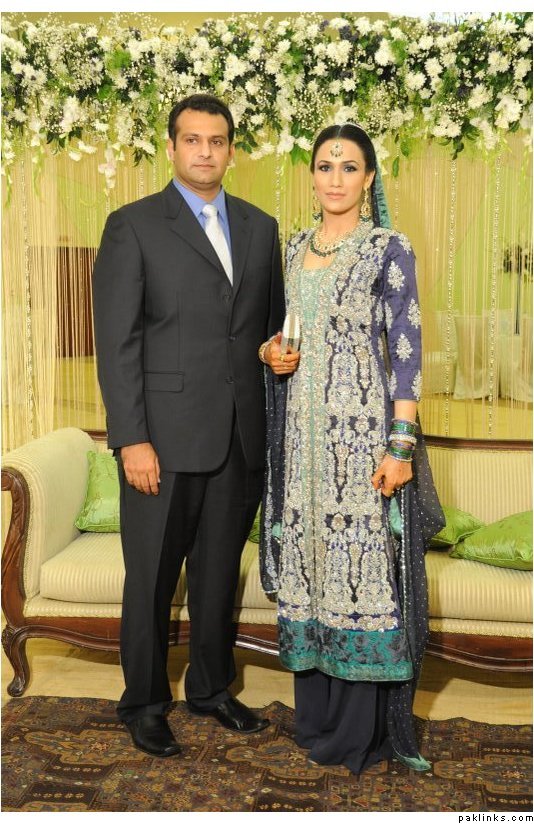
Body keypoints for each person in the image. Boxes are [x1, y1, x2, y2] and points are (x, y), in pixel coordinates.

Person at [92, 93, 288, 758]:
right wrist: (131, 439)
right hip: (162, 441)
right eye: (193, 140)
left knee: (217, 576)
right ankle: (144, 702)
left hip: (239, 437)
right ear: (173, 147)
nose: (206, 151)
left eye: (217, 140)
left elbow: (267, 330)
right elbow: (117, 344)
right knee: (150, 579)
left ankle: (209, 688)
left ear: (231, 150)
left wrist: (278, 352)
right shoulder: (133, 226)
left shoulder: (261, 228)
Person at [259, 123, 444, 774]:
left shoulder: (388, 248)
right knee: (311, 572)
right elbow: (286, 333)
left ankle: (357, 734)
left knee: (359, 577)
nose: (334, 178)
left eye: (348, 167)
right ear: (311, 176)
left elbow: (407, 351)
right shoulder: (293, 247)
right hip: (302, 447)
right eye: (324, 166)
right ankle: (315, 721)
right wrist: (273, 353)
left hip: (361, 445)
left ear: (369, 179)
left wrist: (400, 447)